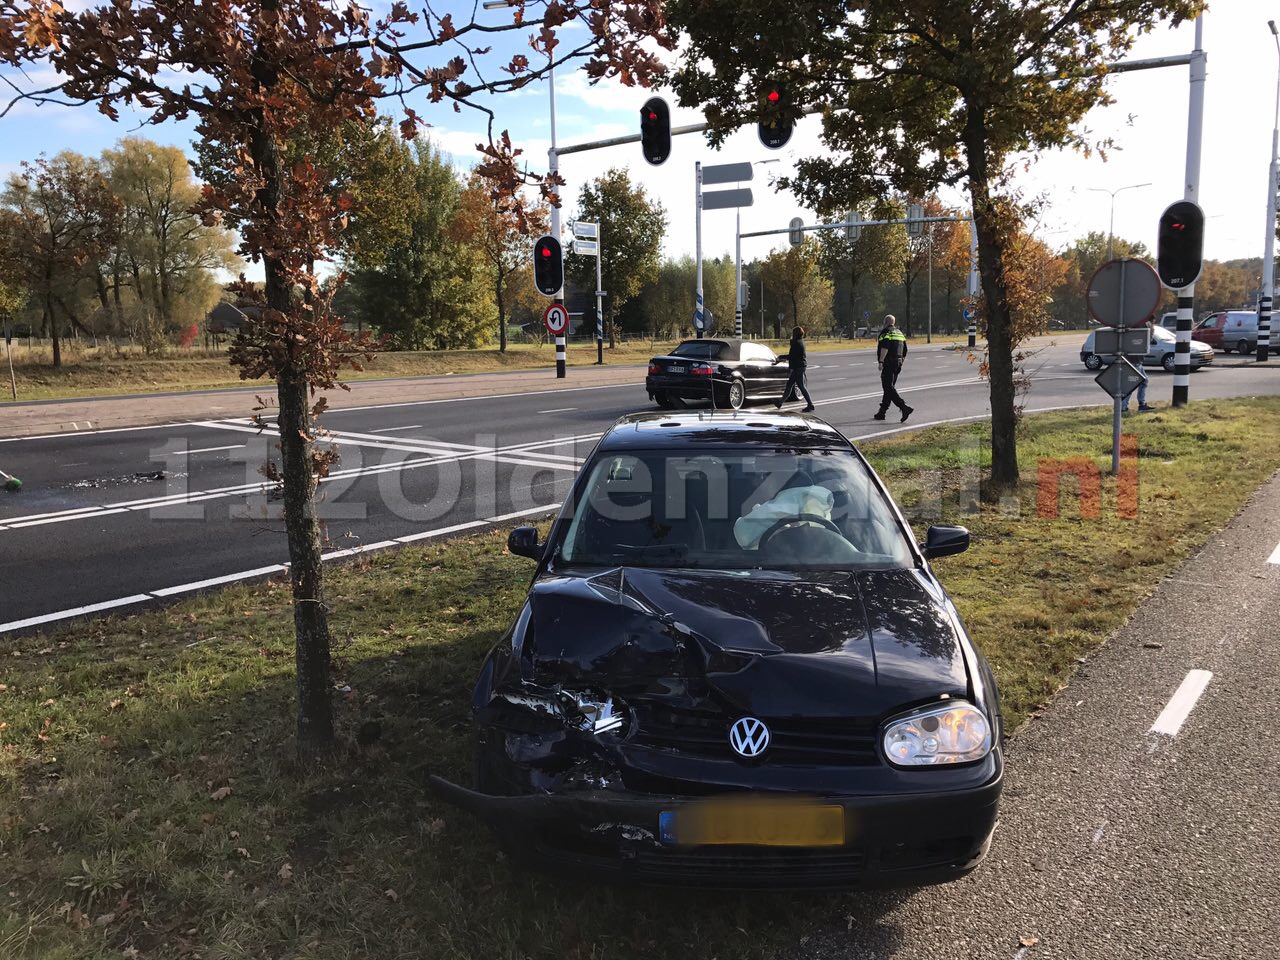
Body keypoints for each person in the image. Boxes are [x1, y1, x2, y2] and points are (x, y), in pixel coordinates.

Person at [874, 314, 912, 422]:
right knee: (889, 388)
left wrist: (881, 361)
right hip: (898, 363)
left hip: (889, 362)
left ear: (885, 322)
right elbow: (905, 350)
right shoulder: (899, 333)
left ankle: (904, 407)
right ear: (893, 323)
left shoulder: (886, 332)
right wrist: (901, 361)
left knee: (888, 387)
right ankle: (882, 412)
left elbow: (885, 347)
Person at [774, 325, 814, 412]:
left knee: (801, 386)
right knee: (789, 385)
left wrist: (781, 357)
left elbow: (792, 356)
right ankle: (780, 403)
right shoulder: (800, 342)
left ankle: (810, 404)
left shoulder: (797, 343)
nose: (792, 335)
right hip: (799, 366)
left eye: (793, 333)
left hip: (798, 367)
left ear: (795, 334)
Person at [1123, 316, 1155, 414]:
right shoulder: (1147, 325)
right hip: (1135, 360)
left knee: (1143, 381)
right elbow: (1149, 339)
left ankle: (1142, 404)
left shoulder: (1134, 324)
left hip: (1134, 360)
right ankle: (1123, 407)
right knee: (1131, 384)